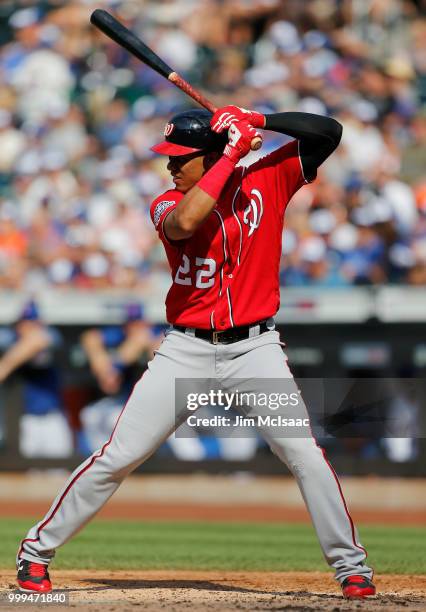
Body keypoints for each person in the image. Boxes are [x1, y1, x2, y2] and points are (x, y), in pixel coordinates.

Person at [16, 106, 375, 600]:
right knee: (119, 456)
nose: (170, 167)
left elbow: (329, 132)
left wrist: (257, 118)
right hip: (185, 349)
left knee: (303, 454)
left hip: (255, 349)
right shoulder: (166, 203)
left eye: (180, 158)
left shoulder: (266, 179)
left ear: (206, 156)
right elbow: (187, 221)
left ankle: (351, 567)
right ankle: (36, 551)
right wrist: (229, 154)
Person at [0, 300, 73, 458]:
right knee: (30, 475)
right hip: (26, 420)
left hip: (53, 418)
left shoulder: (50, 337)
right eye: (23, 324)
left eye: (30, 323)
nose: (25, 328)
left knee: (59, 473)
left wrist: (5, 366)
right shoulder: (12, 341)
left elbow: (38, 341)